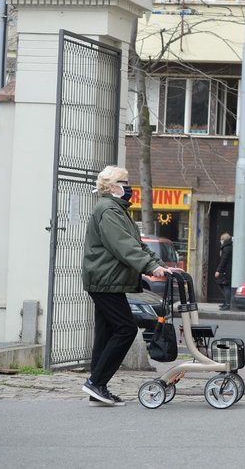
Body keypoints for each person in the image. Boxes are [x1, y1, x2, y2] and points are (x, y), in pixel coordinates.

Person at [82, 166, 172, 406]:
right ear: (112, 187)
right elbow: (124, 246)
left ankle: (97, 387)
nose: (130, 186)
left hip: (107, 281)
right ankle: (95, 382)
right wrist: (150, 268)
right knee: (125, 329)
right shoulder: (109, 211)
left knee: (105, 335)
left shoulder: (118, 211)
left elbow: (138, 246)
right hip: (105, 281)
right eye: (125, 181)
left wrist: (160, 265)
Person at [215, 232, 233, 310]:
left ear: (224, 240)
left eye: (221, 239)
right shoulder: (228, 247)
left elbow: (223, 260)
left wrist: (218, 270)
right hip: (227, 270)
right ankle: (226, 301)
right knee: (225, 286)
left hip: (227, 271)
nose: (220, 241)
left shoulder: (226, 248)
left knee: (225, 286)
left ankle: (228, 304)